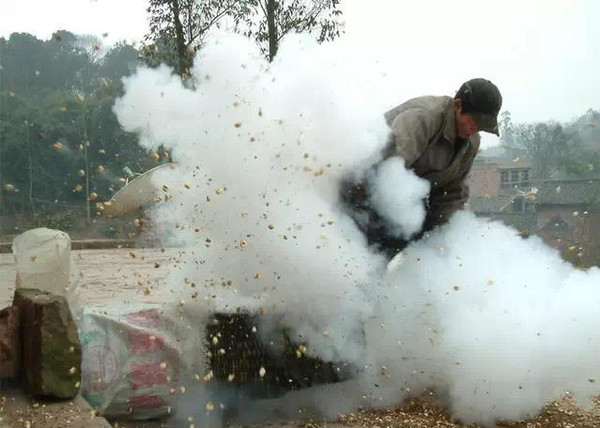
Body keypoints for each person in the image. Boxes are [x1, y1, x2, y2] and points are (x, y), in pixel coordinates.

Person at [341, 78, 503, 259]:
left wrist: (443, 239)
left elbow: (452, 194)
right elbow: (387, 170)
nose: (475, 129)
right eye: (474, 121)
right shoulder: (422, 118)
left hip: (402, 198)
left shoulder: (471, 143)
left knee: (421, 232)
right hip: (362, 187)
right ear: (458, 105)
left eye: (481, 126)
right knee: (394, 233)